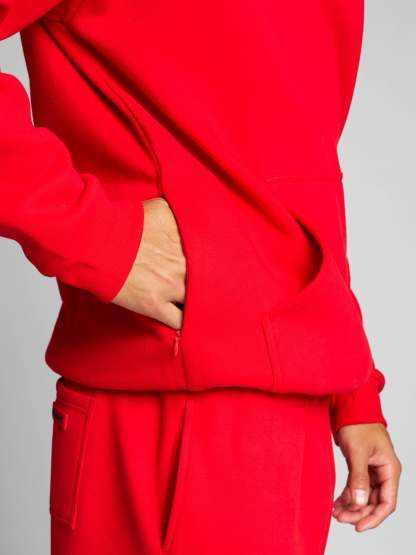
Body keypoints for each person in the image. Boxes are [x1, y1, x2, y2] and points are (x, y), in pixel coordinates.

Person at [0, 1, 402, 554]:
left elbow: (292, 163)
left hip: (294, 414)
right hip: (168, 400)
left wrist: (351, 386)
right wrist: (98, 236)